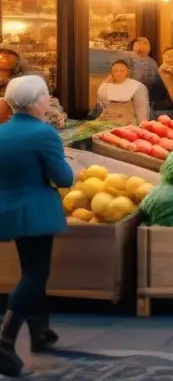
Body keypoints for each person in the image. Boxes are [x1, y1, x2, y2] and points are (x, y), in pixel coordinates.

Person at [0, 75, 75, 375]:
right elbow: (64, 178)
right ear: (37, 101)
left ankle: (40, 330)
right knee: (35, 272)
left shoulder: (2, 132)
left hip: (7, 210)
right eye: (46, 96)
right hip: (36, 211)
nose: (48, 102)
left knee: (31, 266)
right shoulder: (44, 134)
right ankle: (5, 341)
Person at [0, 47, 65, 129]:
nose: (3, 58)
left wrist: (55, 116)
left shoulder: (22, 83)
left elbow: (47, 103)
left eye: (8, 54)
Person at [96, 60, 150, 126]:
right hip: (106, 122)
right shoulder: (105, 86)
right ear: (111, 72)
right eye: (115, 71)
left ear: (127, 72)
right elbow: (100, 105)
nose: (118, 73)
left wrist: (142, 125)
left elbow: (142, 109)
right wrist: (105, 83)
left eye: (122, 71)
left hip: (127, 124)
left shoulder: (137, 86)